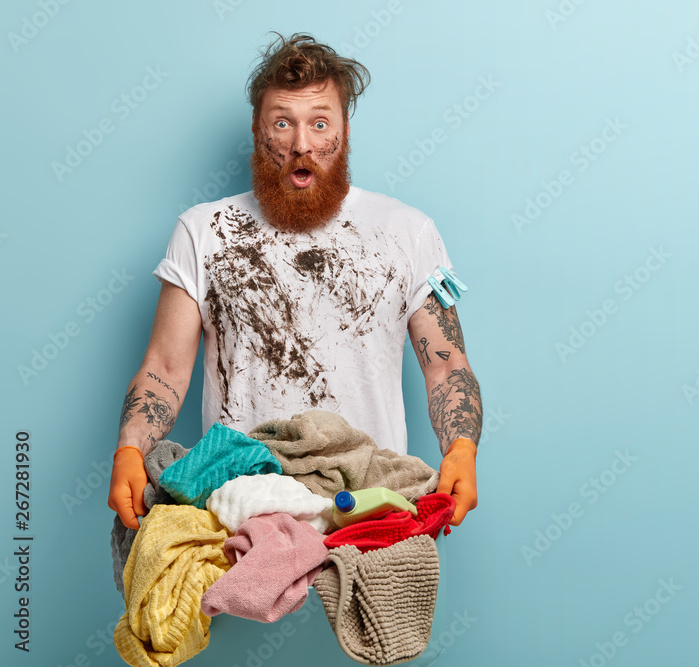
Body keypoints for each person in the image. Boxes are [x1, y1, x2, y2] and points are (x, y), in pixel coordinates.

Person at [108, 32, 481, 532]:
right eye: (282, 123)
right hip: (240, 507)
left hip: (368, 503)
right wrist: (131, 448)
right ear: (259, 133)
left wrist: (461, 450)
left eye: (319, 123)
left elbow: (446, 366)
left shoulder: (410, 231)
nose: (301, 144)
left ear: (344, 131)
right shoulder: (203, 230)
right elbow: (166, 368)